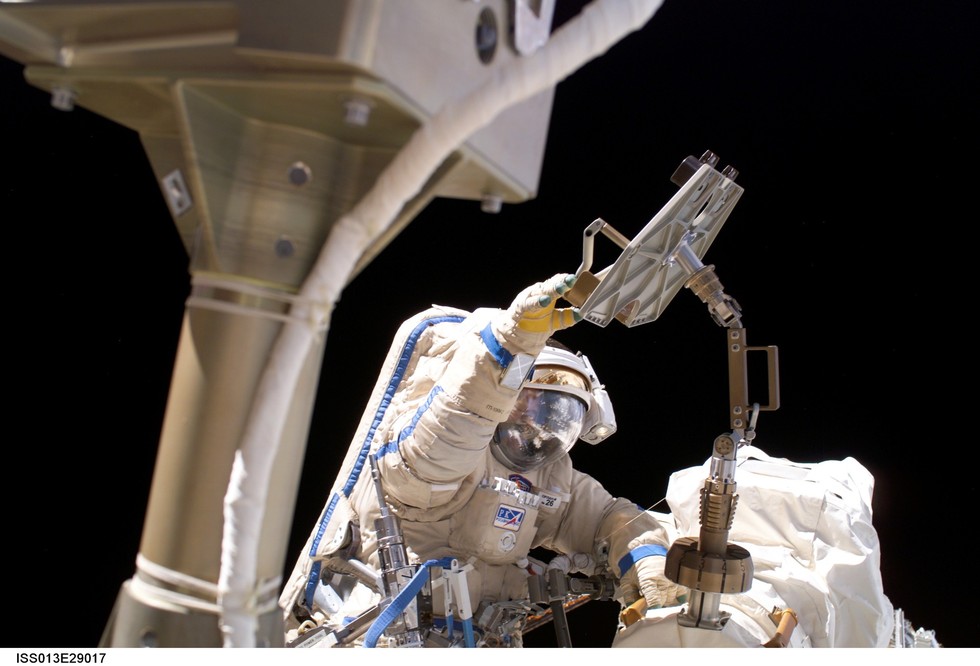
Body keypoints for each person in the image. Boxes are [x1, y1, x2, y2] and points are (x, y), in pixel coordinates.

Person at [279, 273, 684, 647]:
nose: (538, 428)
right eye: (531, 407)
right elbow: (459, 421)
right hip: (388, 638)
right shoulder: (433, 455)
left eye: (557, 416)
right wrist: (514, 341)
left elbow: (610, 519)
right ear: (504, 401)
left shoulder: (551, 478)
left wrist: (644, 561)